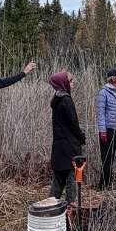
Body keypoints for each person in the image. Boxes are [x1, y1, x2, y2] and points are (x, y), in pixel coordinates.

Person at [48, 71, 86, 204]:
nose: (73, 82)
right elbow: (73, 123)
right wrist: (82, 137)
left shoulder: (57, 99)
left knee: (58, 178)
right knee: (71, 177)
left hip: (59, 146)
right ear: (64, 83)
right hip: (69, 146)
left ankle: (51, 205)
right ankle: (71, 207)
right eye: (70, 81)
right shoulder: (66, 100)